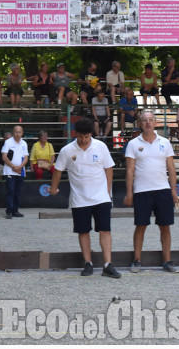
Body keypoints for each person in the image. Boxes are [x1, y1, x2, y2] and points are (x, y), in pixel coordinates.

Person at [48, 118, 121, 279]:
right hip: (79, 199)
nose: (83, 140)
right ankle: (88, 263)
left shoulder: (100, 146)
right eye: (81, 136)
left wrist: (107, 192)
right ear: (75, 134)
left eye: (87, 136)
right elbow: (58, 170)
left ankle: (108, 264)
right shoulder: (67, 150)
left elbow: (109, 169)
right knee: (83, 231)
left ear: (91, 134)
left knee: (105, 230)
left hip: (101, 198)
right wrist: (53, 188)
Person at [123, 111, 179, 274]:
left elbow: (171, 169)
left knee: (165, 226)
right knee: (140, 226)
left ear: (156, 123)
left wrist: (173, 191)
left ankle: (167, 261)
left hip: (163, 190)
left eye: (151, 120)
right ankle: (136, 261)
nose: (148, 123)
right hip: (142, 191)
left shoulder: (165, 142)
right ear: (140, 123)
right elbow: (129, 170)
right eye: (145, 120)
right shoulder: (133, 144)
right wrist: (129, 193)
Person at [1, 125, 28, 219]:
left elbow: (26, 158)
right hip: (10, 171)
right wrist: (13, 166)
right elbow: (4, 157)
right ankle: (9, 211)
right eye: (16, 132)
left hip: (21, 171)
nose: (18, 134)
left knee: (18, 192)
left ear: (22, 133)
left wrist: (20, 167)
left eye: (19, 132)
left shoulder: (24, 143)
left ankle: (15, 210)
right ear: (13, 132)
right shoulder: (8, 142)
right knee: (10, 191)